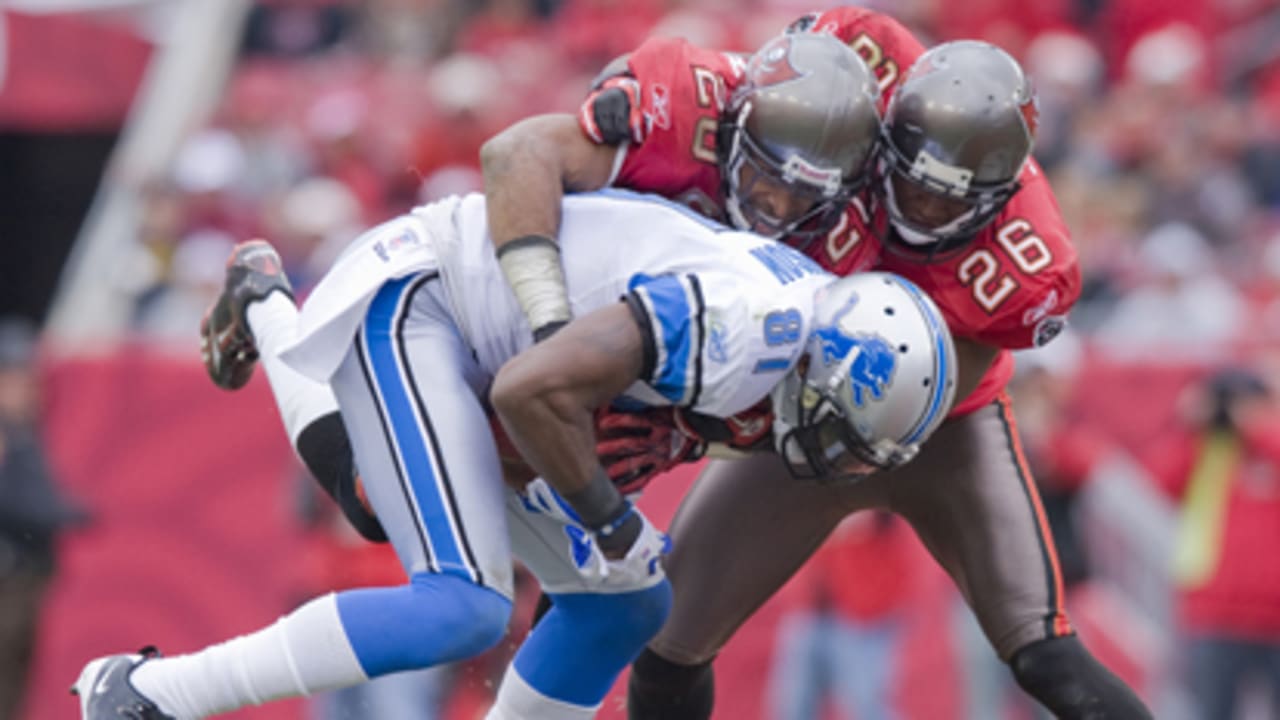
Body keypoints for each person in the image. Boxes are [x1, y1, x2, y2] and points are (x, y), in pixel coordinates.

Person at [477, 9, 1151, 717]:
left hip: (932, 414)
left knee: (1044, 651)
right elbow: (764, 87)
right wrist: (645, 88)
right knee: (669, 645)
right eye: (911, 182)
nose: (920, 208)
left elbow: (924, 380)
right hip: (798, 397)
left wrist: (705, 427)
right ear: (885, 133)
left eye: (948, 199)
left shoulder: (1027, 264)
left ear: (1003, 192)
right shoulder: (855, 70)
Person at [72, 188, 959, 720]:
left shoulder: (792, 328)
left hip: (494, 352)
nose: (826, 456)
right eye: (839, 430)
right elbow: (530, 392)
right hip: (428, 303)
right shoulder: (749, 331)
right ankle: (148, 692)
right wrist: (610, 520)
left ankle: (265, 304)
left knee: (626, 606)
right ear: (831, 367)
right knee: (458, 603)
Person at [0, 317, 91, 720]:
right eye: (16, 378)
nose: (28, 389)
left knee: (18, 674)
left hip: (28, 573)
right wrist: (69, 513)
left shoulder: (23, 430)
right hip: (9, 574)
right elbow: (19, 501)